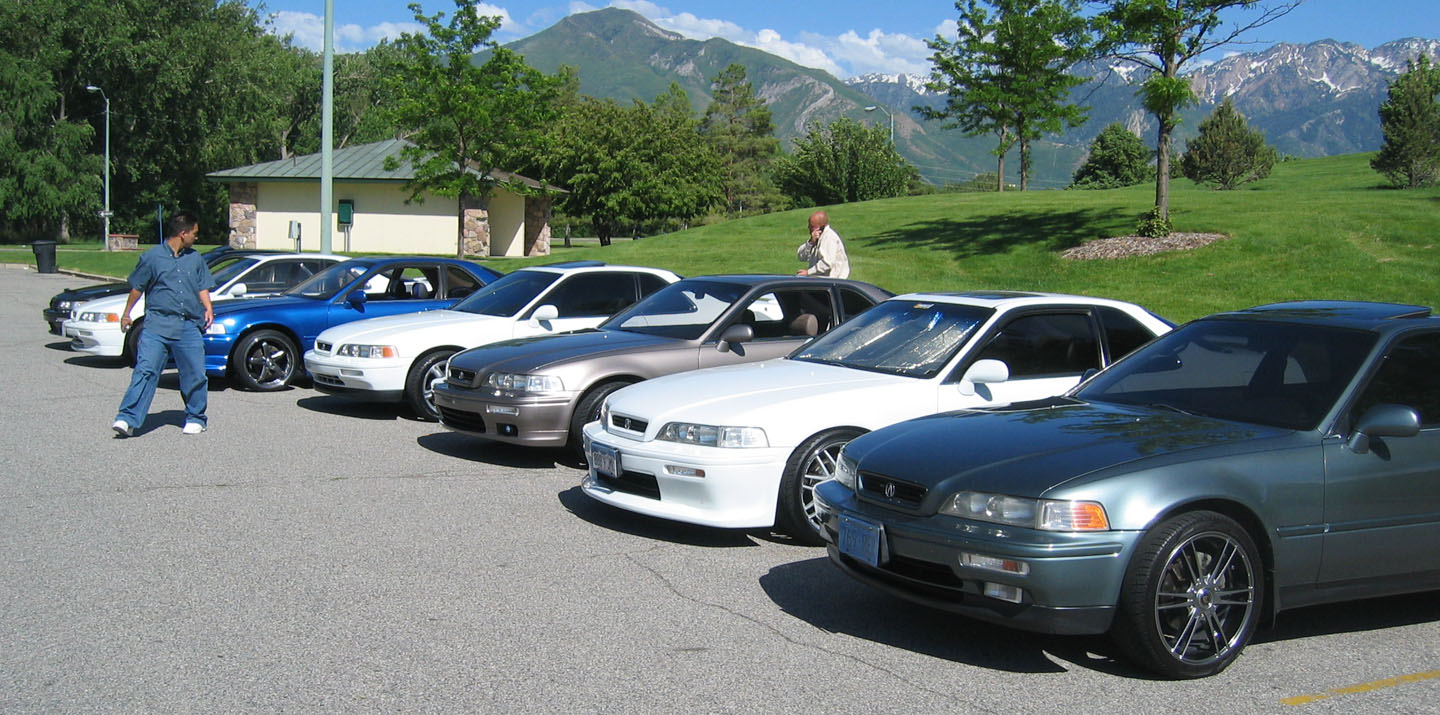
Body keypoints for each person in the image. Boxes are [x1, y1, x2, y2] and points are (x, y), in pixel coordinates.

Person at [111, 212, 216, 437]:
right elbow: (137, 288)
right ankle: (127, 418)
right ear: (183, 233)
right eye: (194, 233)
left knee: (195, 373)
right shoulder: (152, 257)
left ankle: (196, 417)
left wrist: (208, 307)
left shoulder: (195, 258)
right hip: (157, 324)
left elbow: (202, 286)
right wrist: (127, 313)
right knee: (145, 371)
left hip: (188, 324)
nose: (196, 237)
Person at [796, 210, 850, 279]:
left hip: (832, 281)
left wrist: (808, 272)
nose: (808, 227)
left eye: (812, 226)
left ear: (821, 227)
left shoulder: (829, 237)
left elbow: (827, 263)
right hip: (820, 281)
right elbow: (801, 256)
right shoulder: (817, 238)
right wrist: (810, 242)